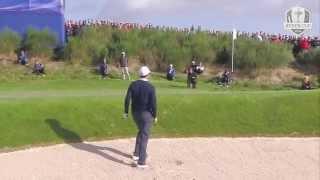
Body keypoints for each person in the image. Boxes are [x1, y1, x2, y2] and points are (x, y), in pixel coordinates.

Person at [124, 66, 157, 168]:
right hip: (146, 114)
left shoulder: (133, 84)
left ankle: (136, 154)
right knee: (144, 136)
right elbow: (153, 103)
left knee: (141, 131)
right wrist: (155, 115)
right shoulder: (151, 87)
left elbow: (127, 99)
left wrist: (125, 112)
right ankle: (141, 162)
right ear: (148, 75)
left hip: (135, 113)